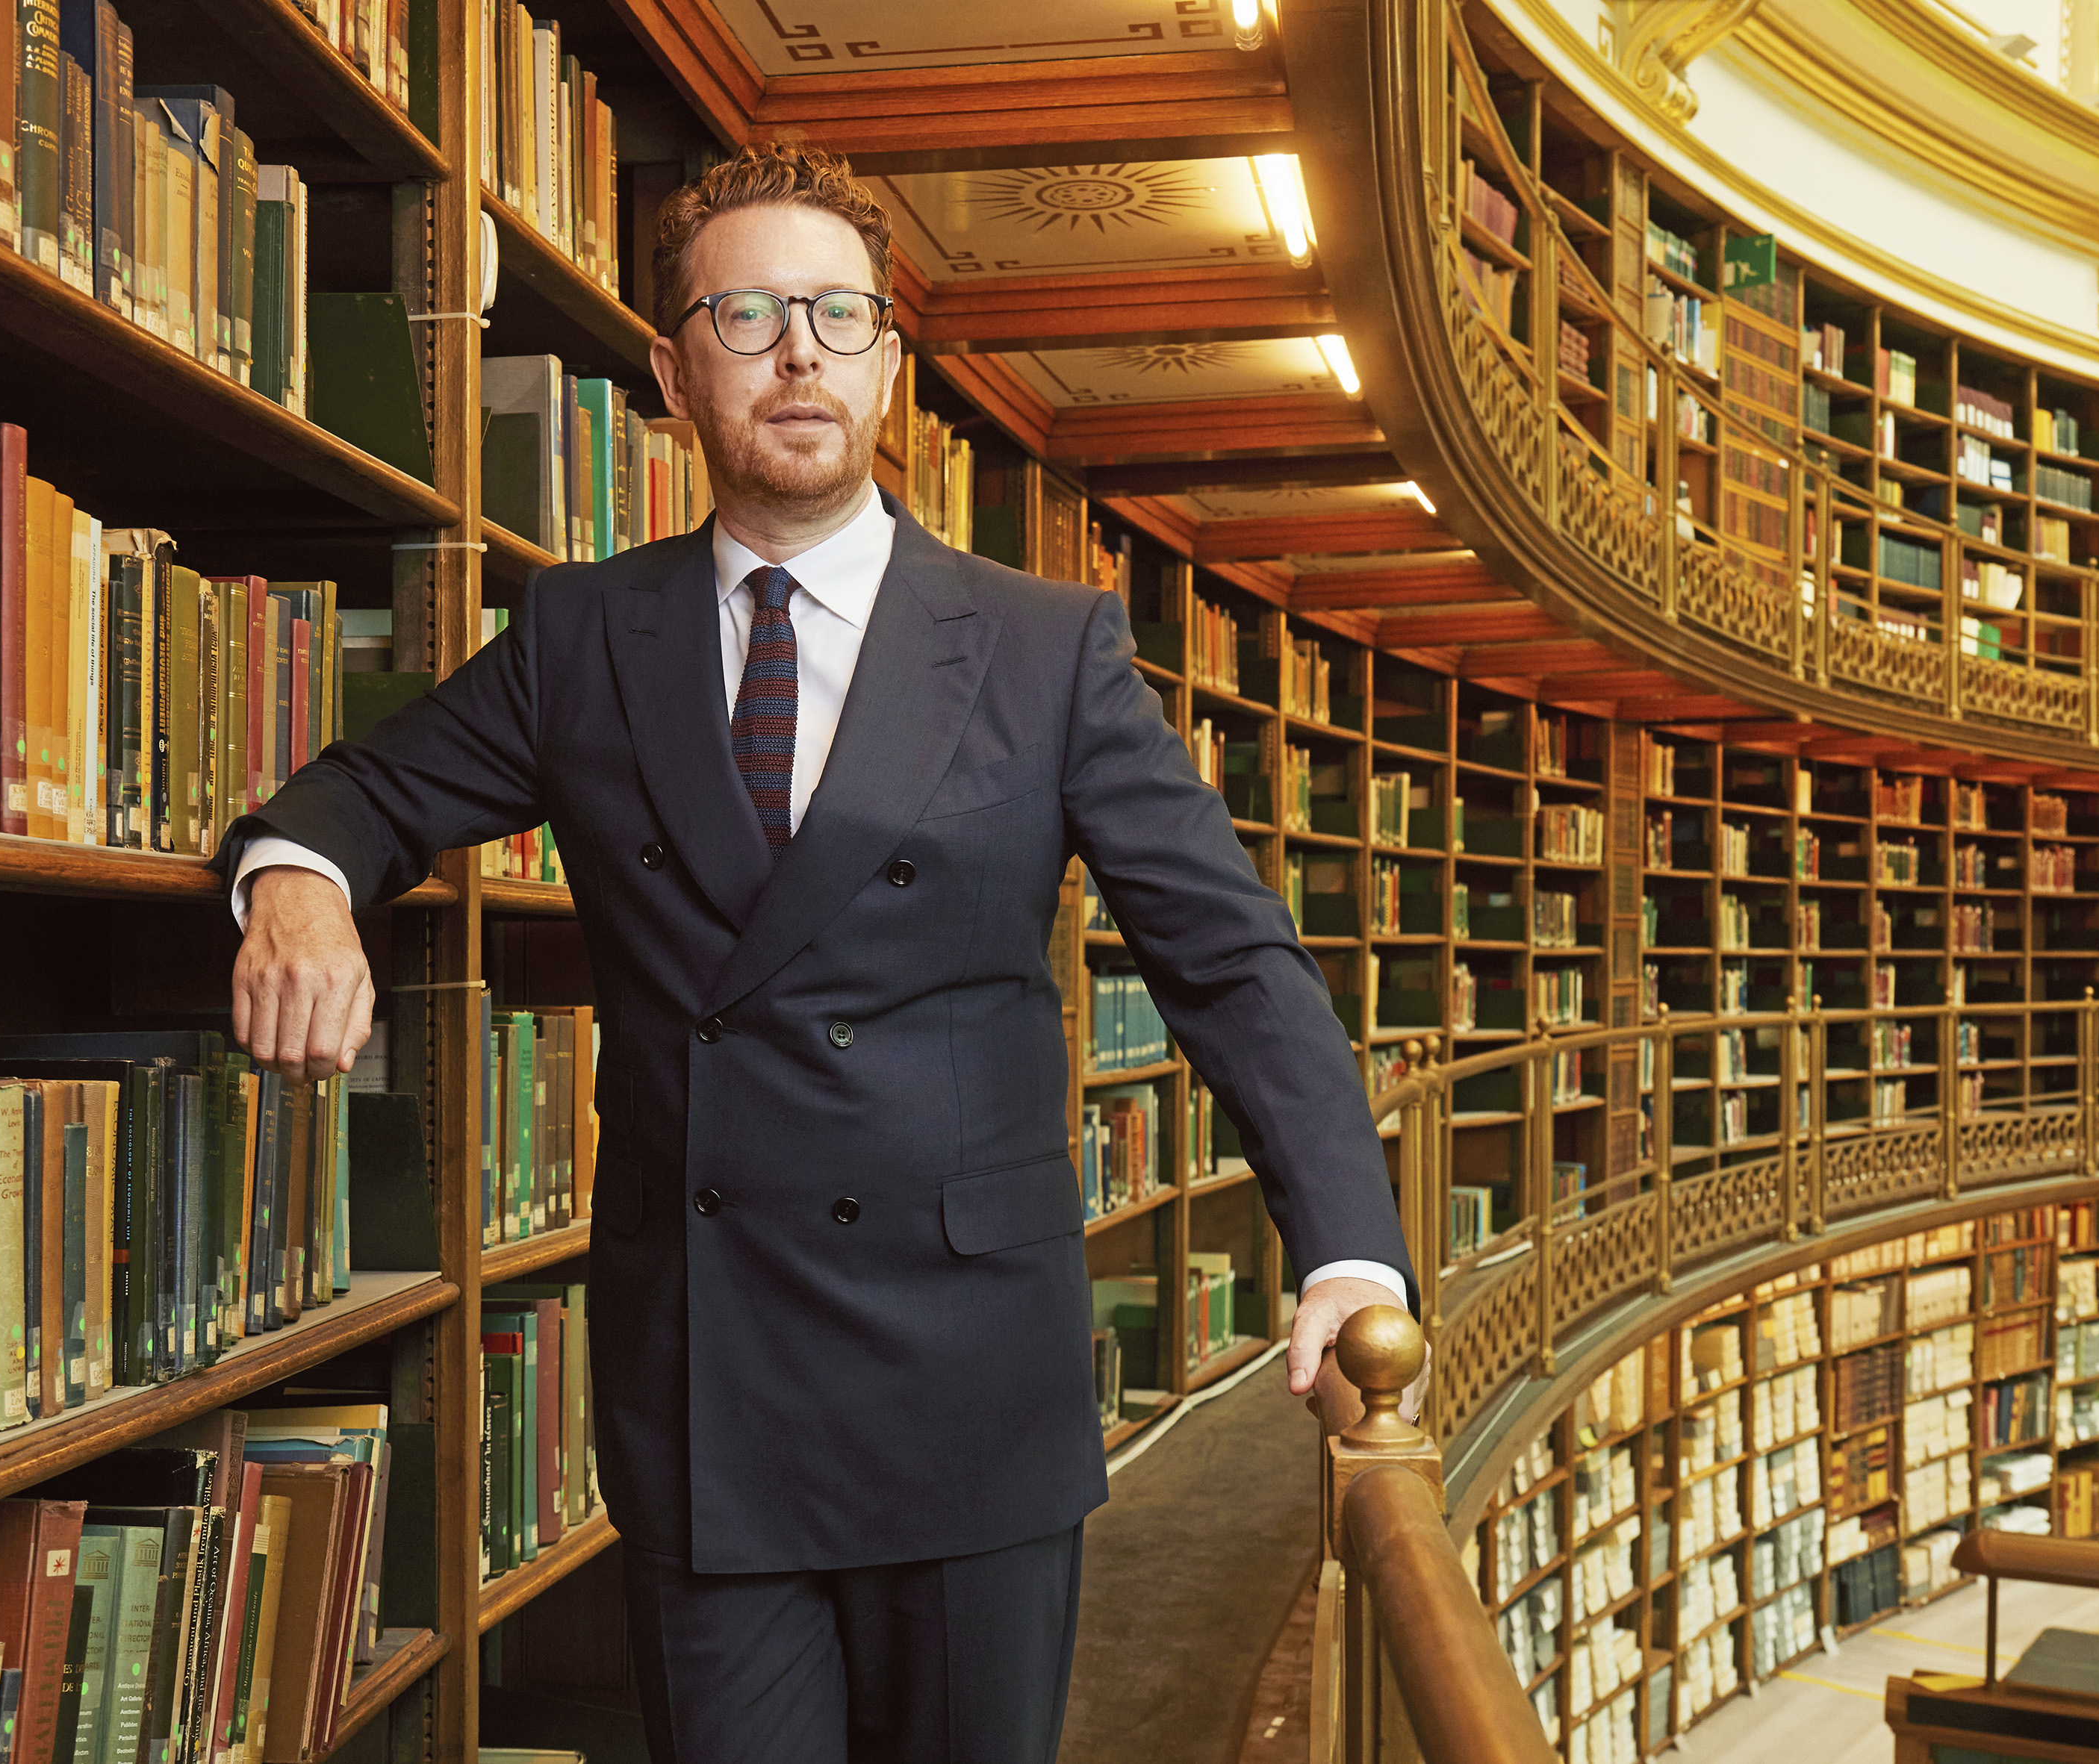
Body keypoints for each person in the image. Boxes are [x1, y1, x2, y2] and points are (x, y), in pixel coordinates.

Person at [220, 145, 1415, 1764]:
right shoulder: (586, 636)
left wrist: (1344, 1242)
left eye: (839, 315)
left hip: (972, 1383)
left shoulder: (1043, 645)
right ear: (670, 367)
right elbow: (363, 790)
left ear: (887, 369)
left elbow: (1228, 959)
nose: (798, 351)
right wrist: (295, 885)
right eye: (750, 310)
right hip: (713, 1383)